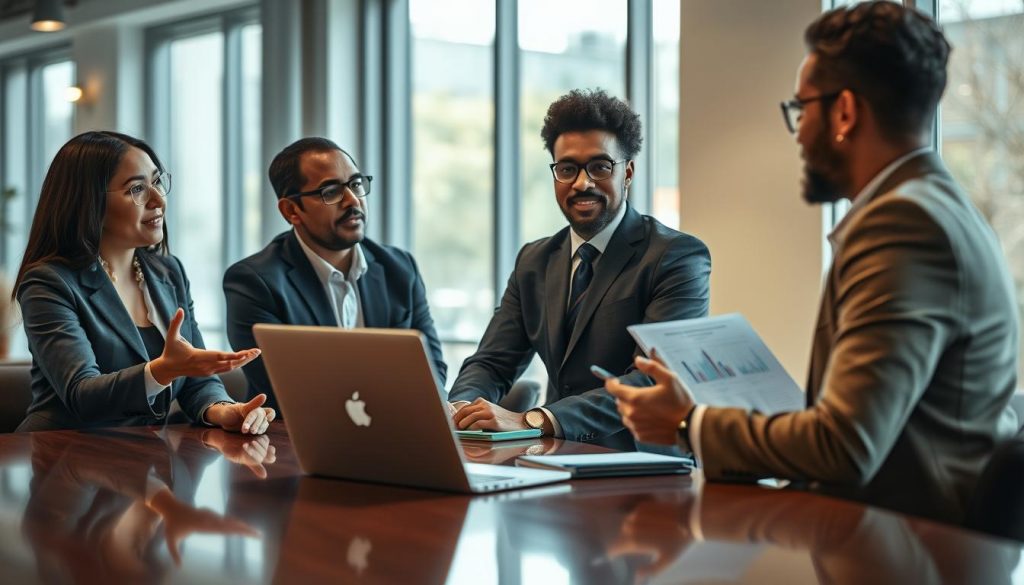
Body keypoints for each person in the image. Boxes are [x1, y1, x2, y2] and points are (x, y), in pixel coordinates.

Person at [607, 1, 1020, 524]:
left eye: (802, 110)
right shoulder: (938, 205)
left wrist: (689, 423)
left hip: (903, 549)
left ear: (844, 113)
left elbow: (844, 445)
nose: (799, 133)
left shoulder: (903, 224)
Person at [449, 89, 711, 450]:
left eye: (600, 166)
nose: (581, 183)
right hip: (553, 463)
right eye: (567, 168)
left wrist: (533, 420)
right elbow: (492, 362)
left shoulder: (677, 256)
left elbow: (651, 381)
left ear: (628, 172)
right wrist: (460, 408)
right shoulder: (534, 261)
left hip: (646, 470)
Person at [14, 131, 274, 434]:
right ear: (89, 202)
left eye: (157, 181)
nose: (157, 199)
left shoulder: (168, 272)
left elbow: (196, 380)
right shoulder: (48, 283)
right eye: (137, 188)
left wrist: (224, 410)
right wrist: (164, 369)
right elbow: (82, 394)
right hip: (61, 458)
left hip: (140, 458)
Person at [224, 137, 446, 411]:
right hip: (289, 445)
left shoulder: (399, 269)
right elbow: (287, 391)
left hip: (399, 432)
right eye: (330, 191)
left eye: (355, 184)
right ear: (292, 210)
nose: (352, 200)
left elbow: (432, 371)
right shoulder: (255, 282)